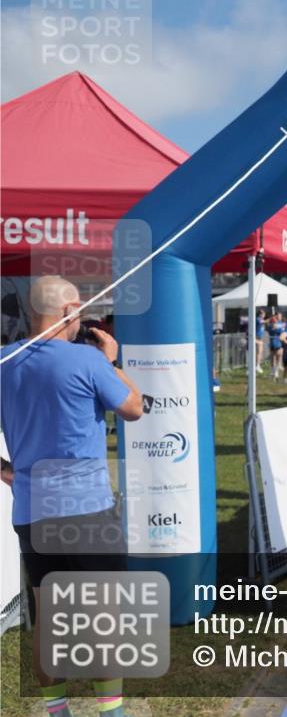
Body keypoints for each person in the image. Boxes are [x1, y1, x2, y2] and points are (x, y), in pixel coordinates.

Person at [1, 276, 144, 717]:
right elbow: (134, 407)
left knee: (48, 622)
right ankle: (111, 712)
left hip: (31, 512)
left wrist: (10, 474)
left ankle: (56, 711)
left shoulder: (5, 360)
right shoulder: (87, 359)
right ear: (68, 311)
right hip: (85, 511)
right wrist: (111, 360)